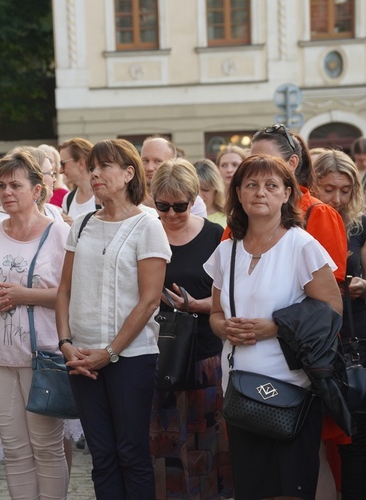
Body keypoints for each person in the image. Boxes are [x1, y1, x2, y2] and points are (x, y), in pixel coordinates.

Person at [204, 154, 343, 499]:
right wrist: (222, 328)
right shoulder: (227, 251)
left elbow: (331, 308)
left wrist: (275, 327)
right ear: (238, 193)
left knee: (290, 490)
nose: (260, 193)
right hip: (239, 388)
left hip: (291, 389)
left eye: (271, 185)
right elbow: (216, 312)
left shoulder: (302, 245)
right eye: (251, 185)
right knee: (252, 489)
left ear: (286, 194)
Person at [56, 138, 171, 499]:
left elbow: (150, 299)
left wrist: (111, 351)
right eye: (92, 167)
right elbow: (64, 290)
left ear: (128, 173)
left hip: (130, 357)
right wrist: (66, 344)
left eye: (104, 166)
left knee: (131, 454)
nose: (95, 173)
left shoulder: (147, 225)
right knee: (102, 456)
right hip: (81, 357)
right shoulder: (83, 223)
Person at [0, 149, 70, 499]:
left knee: (47, 447)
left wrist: (25, 295)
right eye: (2, 185)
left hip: (44, 356)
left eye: (15, 185)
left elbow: (73, 297)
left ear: (37, 190)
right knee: (15, 450)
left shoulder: (60, 235)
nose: (7, 192)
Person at [147, 159, 230, 498]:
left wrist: (194, 305)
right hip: (157, 354)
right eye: (162, 206)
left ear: (195, 197)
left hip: (203, 355)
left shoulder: (216, 236)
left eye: (179, 206)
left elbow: (231, 298)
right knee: (162, 446)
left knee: (204, 445)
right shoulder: (146, 232)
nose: (170, 214)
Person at [313, 150, 366, 499]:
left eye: (344, 189)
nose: (337, 198)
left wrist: (361, 286)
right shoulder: (303, 225)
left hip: (353, 342)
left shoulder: (362, 226)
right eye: (328, 189)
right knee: (312, 436)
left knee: (354, 437)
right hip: (312, 345)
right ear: (313, 185)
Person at [249, 125, 347, 283]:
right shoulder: (245, 212)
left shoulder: (319, 213)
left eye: (267, 161)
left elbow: (331, 287)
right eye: (252, 161)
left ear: (292, 162)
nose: (257, 168)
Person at [140, 136, 208, 217]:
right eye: (145, 161)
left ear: (172, 163)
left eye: (158, 161)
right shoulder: (129, 198)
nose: (149, 168)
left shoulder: (193, 203)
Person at [58, 138, 97, 222]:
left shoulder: (104, 197)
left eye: (63, 163)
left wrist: (74, 228)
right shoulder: (68, 199)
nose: (60, 171)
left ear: (81, 163)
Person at [194, 158, 228, 227]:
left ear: (216, 190)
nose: (199, 195)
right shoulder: (182, 217)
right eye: (195, 190)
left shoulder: (228, 219)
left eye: (205, 190)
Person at [38, 144, 70, 208]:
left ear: (56, 166)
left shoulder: (65, 194)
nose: (46, 164)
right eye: (41, 161)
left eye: (50, 161)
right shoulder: (29, 192)